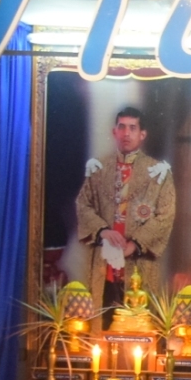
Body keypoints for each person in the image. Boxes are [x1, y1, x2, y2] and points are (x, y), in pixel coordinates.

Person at [75, 105, 175, 309]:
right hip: (104, 263)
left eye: (132, 128)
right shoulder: (99, 168)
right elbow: (83, 204)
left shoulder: (158, 172)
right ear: (114, 132)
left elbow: (165, 214)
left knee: (137, 322)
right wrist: (103, 231)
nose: (126, 133)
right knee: (102, 318)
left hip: (139, 262)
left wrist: (135, 245)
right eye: (122, 127)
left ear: (142, 134)